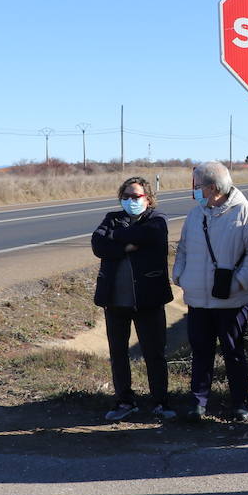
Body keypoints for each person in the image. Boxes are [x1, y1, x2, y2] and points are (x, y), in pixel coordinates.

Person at [174, 161, 248, 423]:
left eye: (196, 186)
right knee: (201, 351)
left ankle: (240, 403)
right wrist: (180, 275)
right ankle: (198, 402)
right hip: (198, 299)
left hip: (232, 300)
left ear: (213, 188)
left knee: (233, 352)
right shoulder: (196, 214)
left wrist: (238, 283)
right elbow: (183, 248)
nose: (192, 191)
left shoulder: (245, 213)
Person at [92, 177, 175, 421]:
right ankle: (124, 401)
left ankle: (160, 401)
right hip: (115, 300)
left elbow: (152, 235)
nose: (131, 201)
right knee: (118, 353)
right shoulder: (111, 218)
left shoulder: (157, 219)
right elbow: (98, 245)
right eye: (126, 196)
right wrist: (127, 245)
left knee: (154, 353)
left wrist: (117, 237)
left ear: (147, 198)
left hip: (149, 299)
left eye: (136, 196)